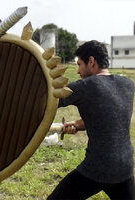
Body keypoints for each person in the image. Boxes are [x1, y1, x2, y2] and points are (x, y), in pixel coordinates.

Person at [47, 40, 135, 199]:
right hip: (125, 167)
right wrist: (76, 124)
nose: (79, 71)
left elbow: (46, 102)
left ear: (91, 61)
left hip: (98, 168)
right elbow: (108, 117)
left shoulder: (85, 86)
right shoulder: (128, 84)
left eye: (80, 64)